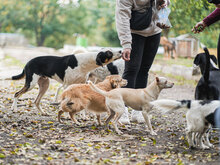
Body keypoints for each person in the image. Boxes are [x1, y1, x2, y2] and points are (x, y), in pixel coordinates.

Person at [115, 0, 170, 124]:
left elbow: (166, 4)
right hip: (135, 32)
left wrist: (165, 2)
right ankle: (122, 110)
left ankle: (137, 111)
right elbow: (122, 17)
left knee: (144, 70)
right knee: (132, 69)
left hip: (155, 31)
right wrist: (126, 44)